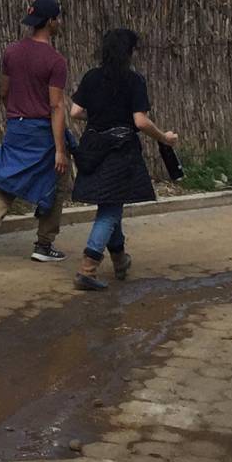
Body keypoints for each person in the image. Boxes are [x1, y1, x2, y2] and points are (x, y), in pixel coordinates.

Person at [67, 27, 177, 292]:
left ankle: (119, 259)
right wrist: (164, 138)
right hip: (120, 152)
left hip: (93, 149)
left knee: (109, 202)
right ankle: (87, 268)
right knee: (111, 209)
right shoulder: (133, 80)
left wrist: (99, 116)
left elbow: (75, 112)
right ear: (129, 52)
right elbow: (140, 121)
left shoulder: (91, 77)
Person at [0, 0, 72, 266]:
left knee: (9, 178)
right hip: (42, 131)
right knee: (56, 182)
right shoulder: (55, 61)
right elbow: (56, 106)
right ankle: (44, 244)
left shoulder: (12, 52)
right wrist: (60, 150)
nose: (59, 22)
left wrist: (16, 114)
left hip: (16, 127)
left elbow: (4, 91)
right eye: (57, 18)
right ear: (50, 22)